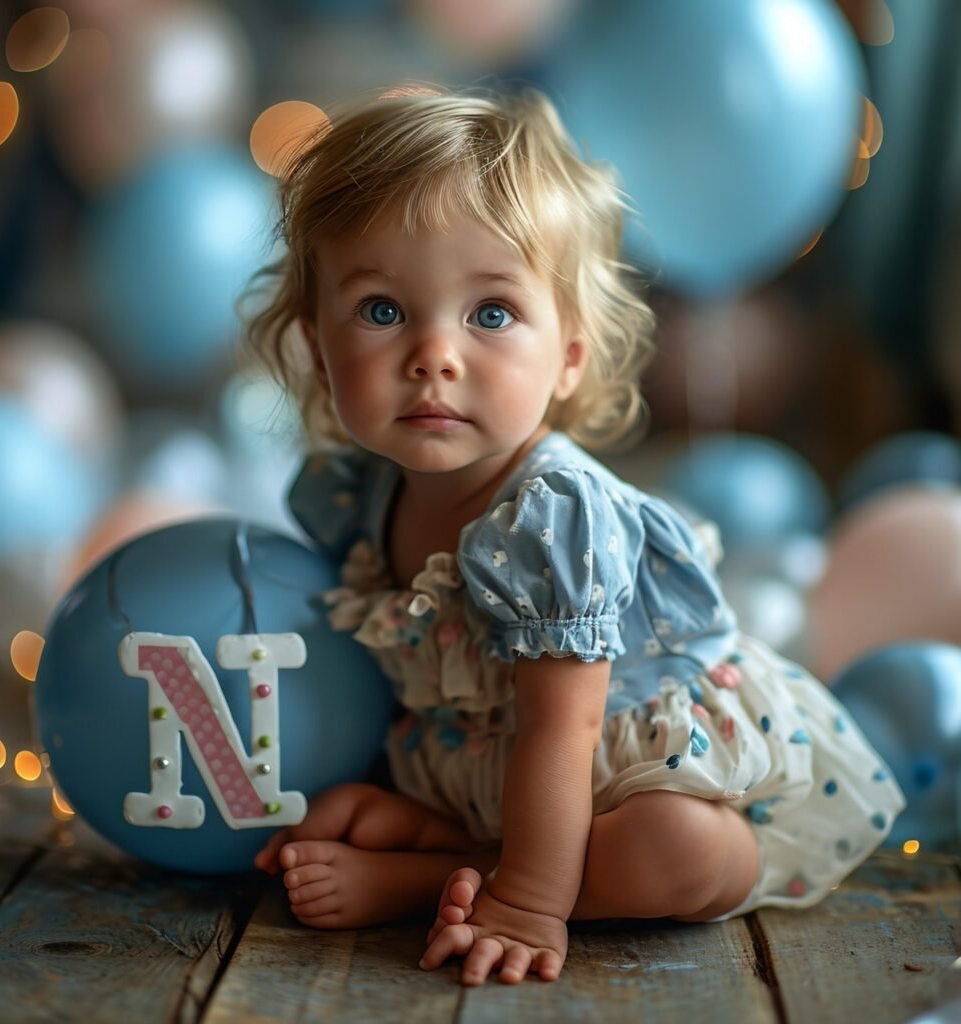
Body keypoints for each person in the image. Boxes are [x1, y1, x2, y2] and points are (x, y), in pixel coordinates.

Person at [247, 82, 905, 987]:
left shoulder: (553, 517)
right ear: (319, 350)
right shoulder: (351, 495)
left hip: (638, 770)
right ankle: (466, 848)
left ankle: (433, 878)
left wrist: (526, 906)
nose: (434, 354)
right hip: (493, 782)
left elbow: (562, 732)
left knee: (669, 847)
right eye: (383, 310)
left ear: (567, 355)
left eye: (490, 314)